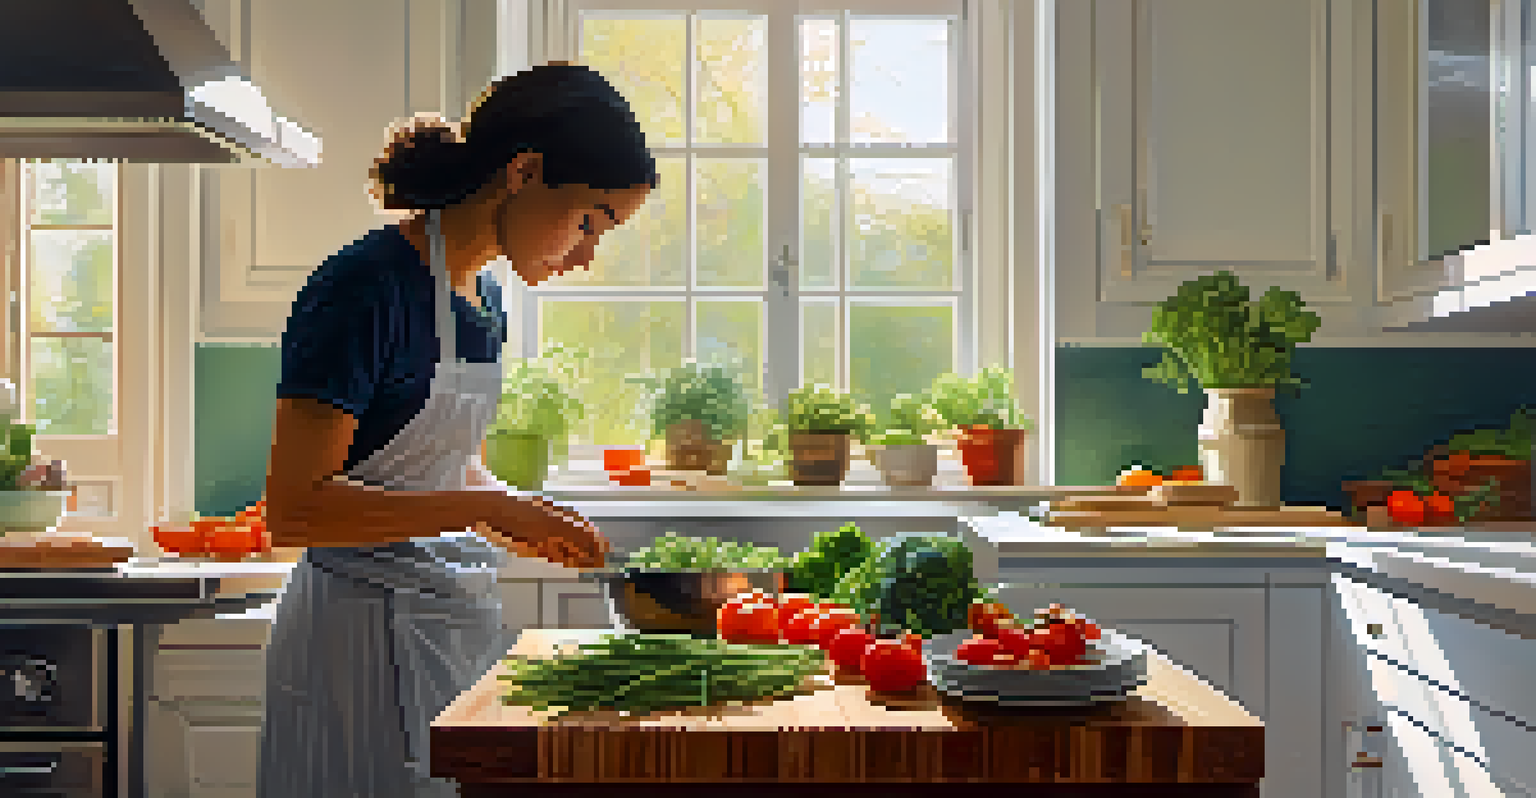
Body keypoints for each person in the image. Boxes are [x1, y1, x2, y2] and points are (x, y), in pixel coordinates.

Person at [257, 62, 653, 798]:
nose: (588, 254)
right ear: (524, 172)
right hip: (351, 645)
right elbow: (294, 509)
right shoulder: (362, 287)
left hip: (447, 627)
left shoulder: (484, 299)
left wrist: (523, 514)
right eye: (589, 221)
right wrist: (485, 509)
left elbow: (438, 465)